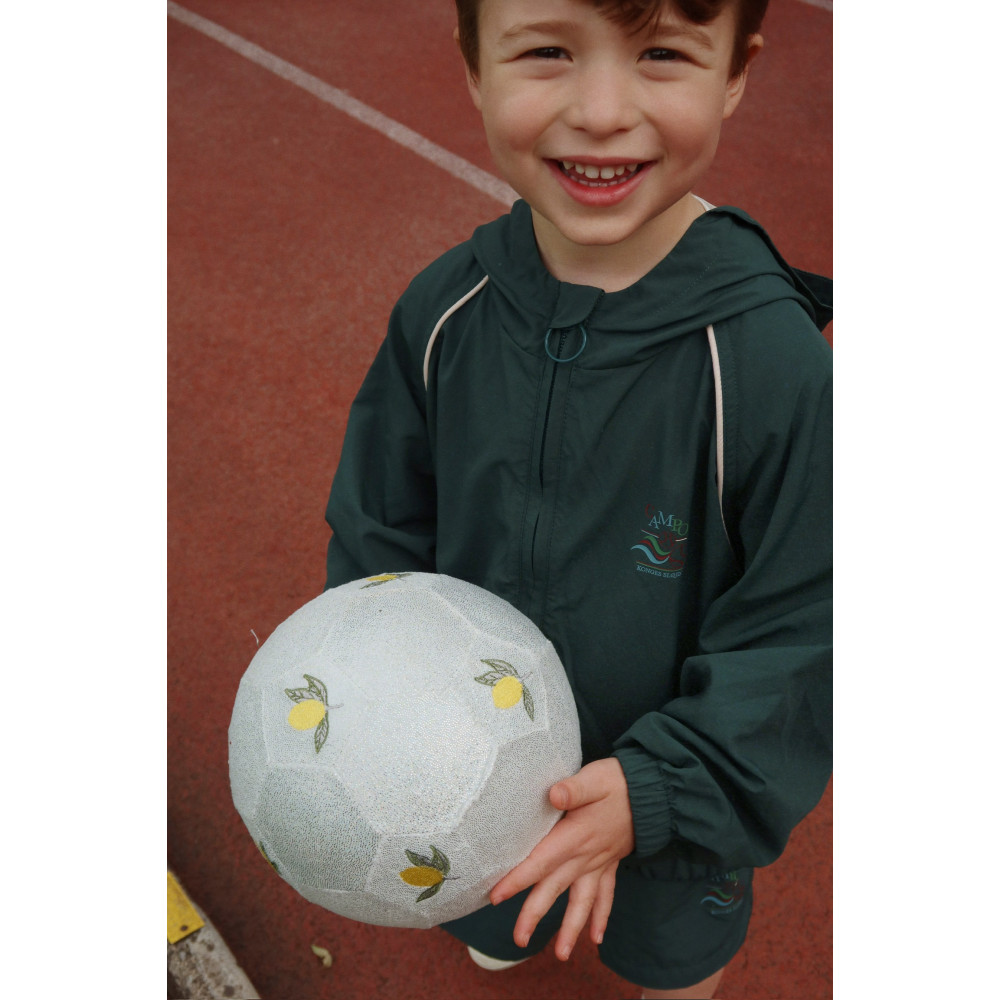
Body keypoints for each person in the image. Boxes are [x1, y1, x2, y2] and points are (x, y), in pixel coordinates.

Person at [323, 0, 832, 996]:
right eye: (549, 51)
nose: (602, 111)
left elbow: (806, 625)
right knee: (495, 907)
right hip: (469, 774)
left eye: (663, 54)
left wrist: (663, 787)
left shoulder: (770, 365)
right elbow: (380, 529)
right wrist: (377, 691)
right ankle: (504, 924)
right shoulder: (443, 311)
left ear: (736, 70)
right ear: (473, 63)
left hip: (671, 807)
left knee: (673, 964)